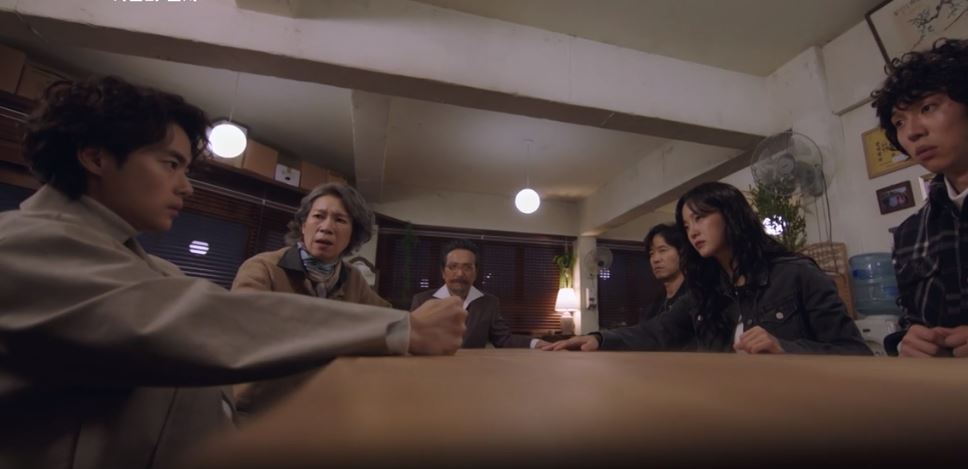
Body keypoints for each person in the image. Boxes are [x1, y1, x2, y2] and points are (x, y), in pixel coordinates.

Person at [0, 76, 466, 469]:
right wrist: (401, 328)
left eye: (340, 221)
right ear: (95, 157)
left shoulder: (150, 266)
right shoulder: (22, 247)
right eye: (170, 164)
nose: (185, 186)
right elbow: (205, 322)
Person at [545, 182, 870, 355]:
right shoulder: (708, 289)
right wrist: (598, 339)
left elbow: (854, 351)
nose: (693, 231)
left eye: (700, 218)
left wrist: (784, 347)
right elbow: (658, 330)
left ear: (732, 216)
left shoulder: (796, 274)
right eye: (687, 225)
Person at [231, 182, 390, 419]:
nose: (326, 227)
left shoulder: (353, 278)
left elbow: (387, 317)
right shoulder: (262, 267)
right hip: (261, 408)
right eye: (318, 216)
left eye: (340, 220)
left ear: (352, 234)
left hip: (326, 404)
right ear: (303, 224)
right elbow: (245, 329)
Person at [871, 38, 968, 357]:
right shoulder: (910, 233)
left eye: (928, 107)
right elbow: (911, 320)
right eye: (899, 122)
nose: (912, 132)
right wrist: (905, 343)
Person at [411, 239, 549, 348]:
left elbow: (503, 339)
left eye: (467, 267)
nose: (460, 274)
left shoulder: (489, 303)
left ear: (475, 273)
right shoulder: (422, 300)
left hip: (474, 369)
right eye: (453, 267)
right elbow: (411, 338)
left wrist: (536, 343)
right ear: (443, 272)